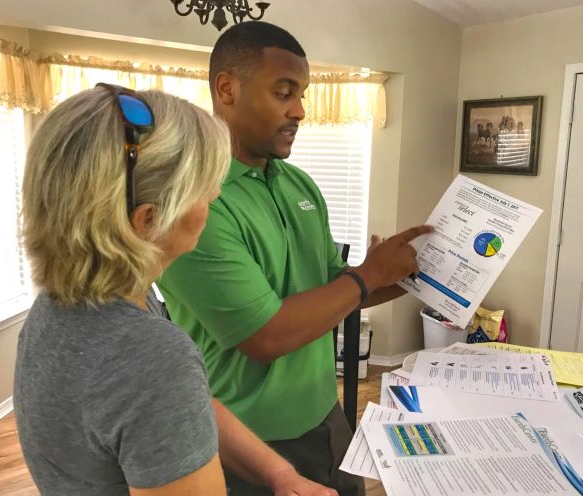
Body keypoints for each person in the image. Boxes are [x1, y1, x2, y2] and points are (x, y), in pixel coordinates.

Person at [14, 84, 338, 496]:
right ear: (149, 221)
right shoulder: (149, 354)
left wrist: (280, 475)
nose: (216, 194)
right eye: (203, 188)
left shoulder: (63, 305)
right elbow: (159, 383)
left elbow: (186, 403)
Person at [157, 21, 432, 496]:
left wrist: (425, 273)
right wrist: (369, 274)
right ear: (227, 89)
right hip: (247, 440)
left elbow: (334, 286)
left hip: (325, 414)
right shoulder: (194, 203)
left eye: (302, 95)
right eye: (284, 93)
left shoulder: (298, 183)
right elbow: (264, 336)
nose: (300, 111)